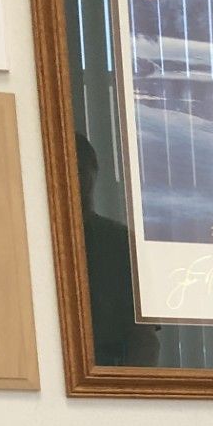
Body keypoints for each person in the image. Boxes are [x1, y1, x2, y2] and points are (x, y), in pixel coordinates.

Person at [75, 135, 162, 366]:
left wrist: (129, 383)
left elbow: (145, 338)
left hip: (111, 371)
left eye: (81, 171)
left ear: (93, 174)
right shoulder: (29, 243)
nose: (76, 181)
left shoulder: (120, 241)